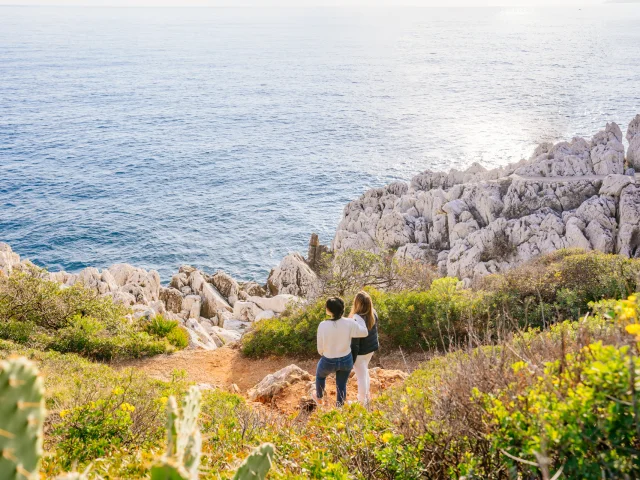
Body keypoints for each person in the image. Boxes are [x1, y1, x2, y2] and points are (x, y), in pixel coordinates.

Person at [314, 297, 368, 406]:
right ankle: (340, 407)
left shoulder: (323, 325)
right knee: (341, 384)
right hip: (346, 360)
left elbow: (320, 347)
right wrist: (359, 319)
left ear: (328, 310)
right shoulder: (350, 323)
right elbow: (364, 333)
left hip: (328, 360)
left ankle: (319, 398)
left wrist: (323, 353)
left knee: (320, 376)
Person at [349, 291, 379, 405]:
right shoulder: (373, 313)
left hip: (360, 352)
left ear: (357, 303)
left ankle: (362, 402)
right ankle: (366, 398)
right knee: (364, 372)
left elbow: (355, 342)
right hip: (370, 350)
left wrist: (352, 357)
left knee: (361, 376)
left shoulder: (357, 318)